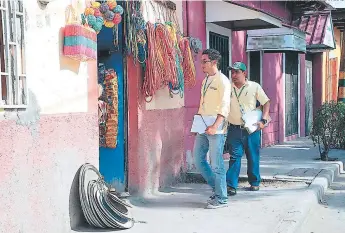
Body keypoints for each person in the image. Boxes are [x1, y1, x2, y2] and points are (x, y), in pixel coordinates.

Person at [193, 49, 231, 209]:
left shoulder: (223, 81)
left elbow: (224, 106)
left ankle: (221, 198)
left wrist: (215, 126)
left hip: (216, 128)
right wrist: (199, 124)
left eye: (204, 61)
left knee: (216, 164)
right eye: (201, 61)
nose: (201, 64)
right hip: (203, 125)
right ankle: (218, 189)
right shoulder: (206, 80)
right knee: (198, 160)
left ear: (214, 62)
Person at [226, 61, 270, 196]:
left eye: (237, 72)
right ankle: (231, 185)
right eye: (232, 72)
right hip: (234, 129)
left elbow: (266, 102)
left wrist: (264, 119)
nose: (234, 75)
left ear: (244, 73)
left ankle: (254, 182)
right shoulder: (228, 88)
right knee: (234, 157)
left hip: (251, 130)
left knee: (253, 156)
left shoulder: (254, 87)